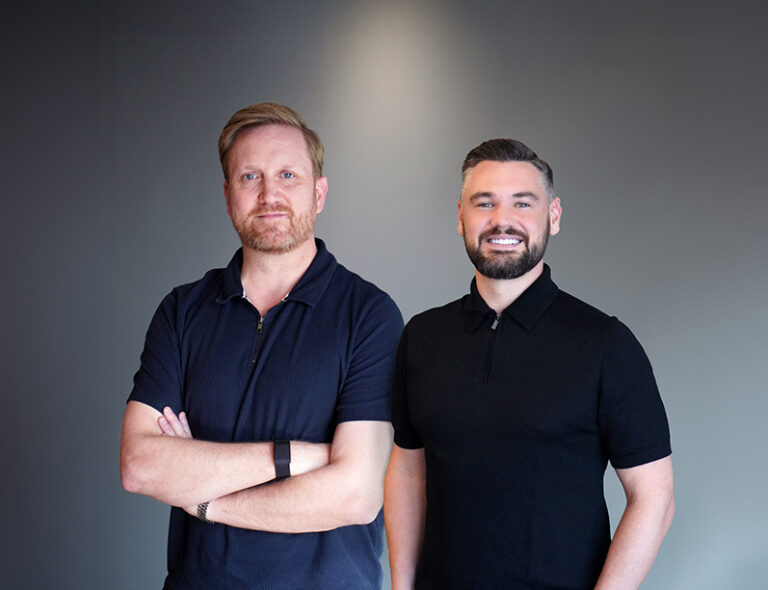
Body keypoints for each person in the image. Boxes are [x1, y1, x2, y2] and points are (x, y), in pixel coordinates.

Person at [120, 102, 403, 590]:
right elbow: (141, 467)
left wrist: (207, 503)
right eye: (250, 176)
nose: (270, 194)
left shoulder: (369, 315)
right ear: (228, 194)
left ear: (319, 192)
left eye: (288, 175)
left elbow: (355, 494)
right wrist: (293, 457)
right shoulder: (182, 311)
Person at [385, 139, 674, 590]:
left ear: (553, 216)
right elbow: (407, 470)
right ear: (460, 216)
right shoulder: (422, 337)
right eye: (485, 203)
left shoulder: (605, 344)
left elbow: (654, 498)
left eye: (523, 203)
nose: (502, 220)